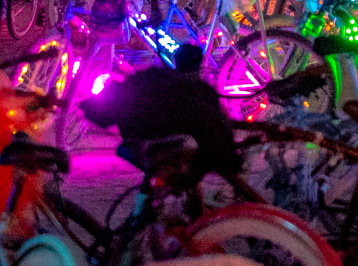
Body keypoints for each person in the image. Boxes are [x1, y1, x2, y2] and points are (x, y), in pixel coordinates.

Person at [78, 44, 239, 181]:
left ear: (176, 60)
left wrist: (83, 105)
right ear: (200, 65)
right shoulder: (203, 93)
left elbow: (104, 109)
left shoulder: (150, 79)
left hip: (142, 147)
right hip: (171, 153)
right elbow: (218, 133)